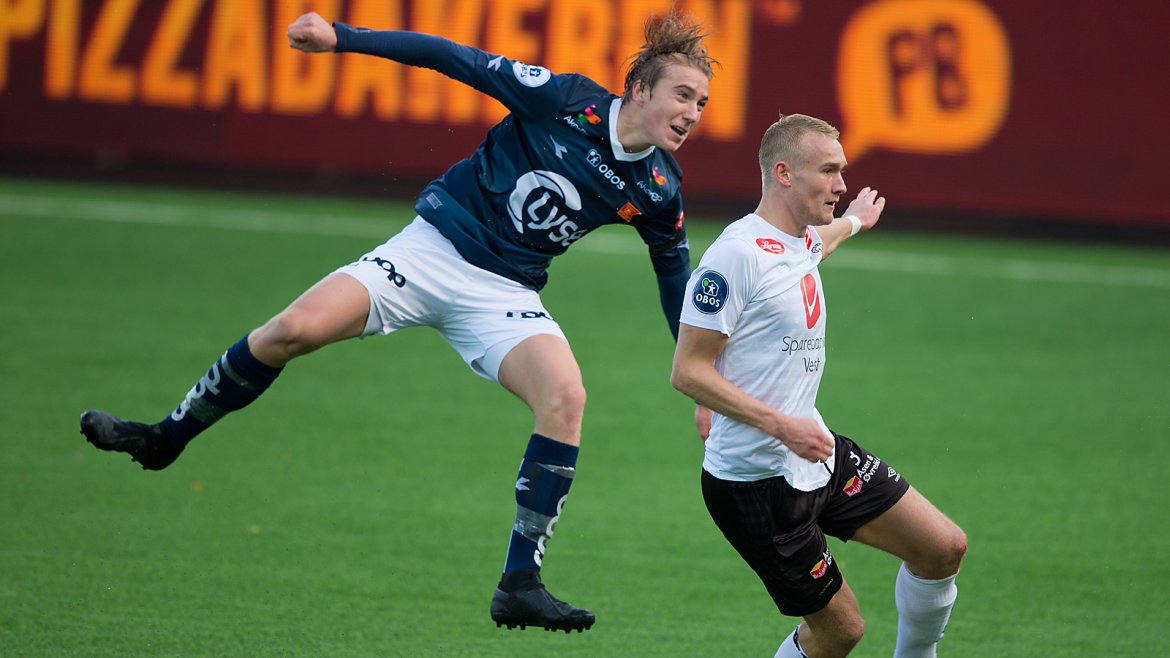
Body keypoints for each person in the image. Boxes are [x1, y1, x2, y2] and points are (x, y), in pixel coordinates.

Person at [80, 9, 716, 634]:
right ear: (639, 90)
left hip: (504, 293)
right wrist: (341, 39)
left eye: (702, 103)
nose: (691, 112)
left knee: (566, 397)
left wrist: (698, 375)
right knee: (290, 331)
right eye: (682, 95)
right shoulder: (565, 100)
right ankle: (166, 439)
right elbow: (453, 58)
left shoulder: (660, 187)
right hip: (430, 251)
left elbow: (674, 284)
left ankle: (520, 583)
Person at [670, 114, 967, 657]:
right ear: (784, 173)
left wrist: (854, 222)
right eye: (829, 171)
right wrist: (781, 425)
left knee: (943, 548)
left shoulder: (799, 240)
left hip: (815, 454)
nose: (842, 184)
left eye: (843, 171)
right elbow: (687, 370)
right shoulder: (734, 256)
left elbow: (816, 246)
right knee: (840, 630)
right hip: (756, 486)